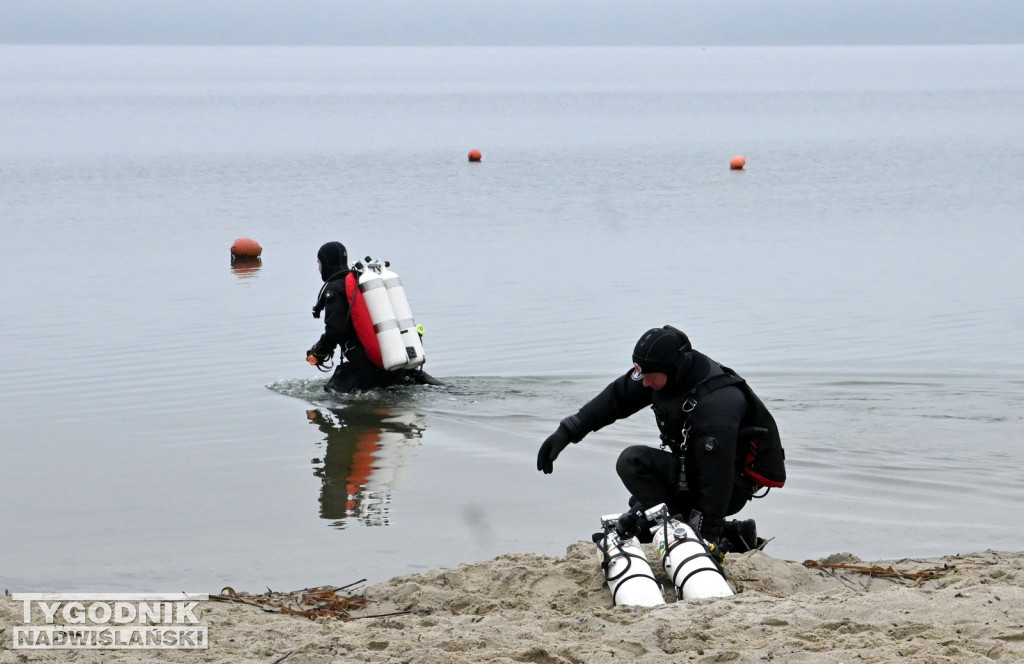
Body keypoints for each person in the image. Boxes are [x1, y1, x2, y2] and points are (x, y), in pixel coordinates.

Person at [537, 325, 785, 555]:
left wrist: (704, 537)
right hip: (692, 473)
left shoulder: (717, 405)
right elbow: (616, 398)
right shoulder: (660, 371)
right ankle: (737, 534)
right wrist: (566, 432)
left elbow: (716, 479)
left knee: (632, 462)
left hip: (727, 487)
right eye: (640, 374)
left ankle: (709, 530)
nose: (644, 383)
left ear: (672, 368)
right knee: (637, 524)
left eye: (649, 376)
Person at [306, 241, 441, 393]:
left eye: (319, 262)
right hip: (393, 355)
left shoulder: (335, 289)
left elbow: (334, 330)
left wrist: (319, 351)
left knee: (330, 394)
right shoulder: (361, 281)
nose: (318, 267)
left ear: (326, 263)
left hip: (366, 365)